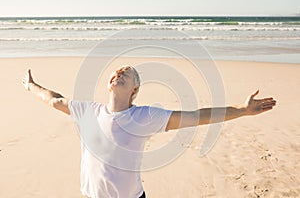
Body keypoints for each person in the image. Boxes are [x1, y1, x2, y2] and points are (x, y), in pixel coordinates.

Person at [22, 65, 276, 198]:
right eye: (116, 72)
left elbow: (197, 116)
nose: (119, 73)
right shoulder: (88, 111)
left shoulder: (144, 116)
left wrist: (242, 109)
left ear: (134, 90)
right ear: (109, 84)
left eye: (127, 73)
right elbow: (54, 100)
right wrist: (31, 86)